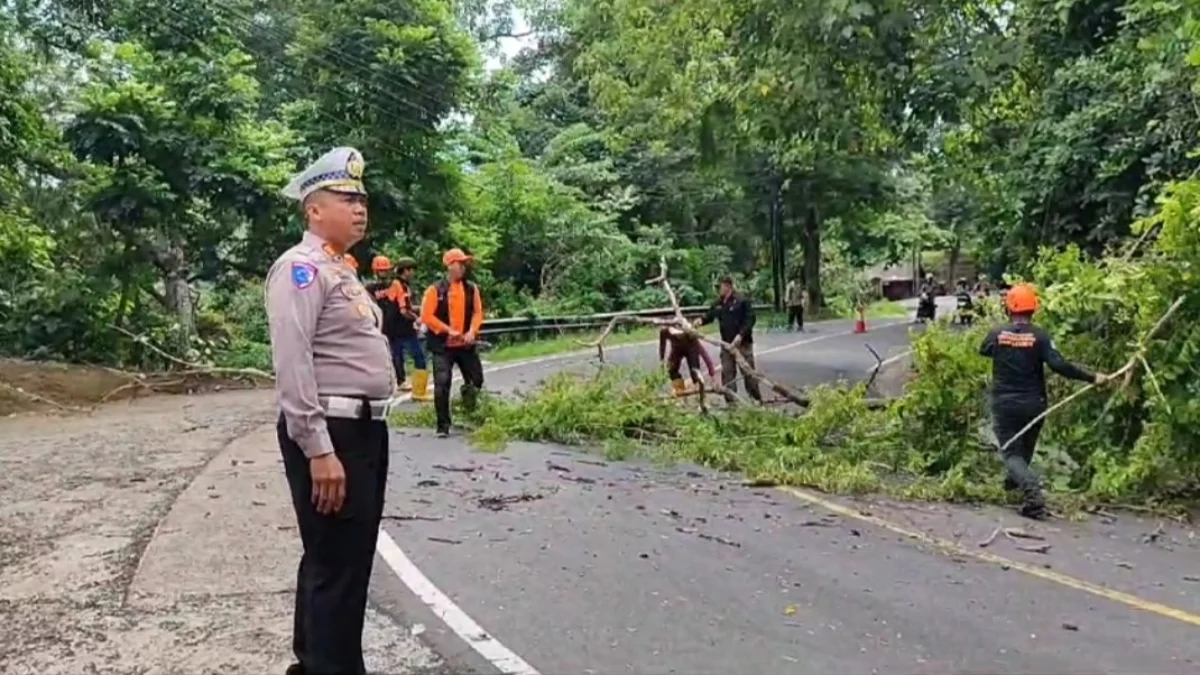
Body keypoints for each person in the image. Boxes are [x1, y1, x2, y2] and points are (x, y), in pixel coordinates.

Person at [265, 146, 395, 675]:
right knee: (338, 566)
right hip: (334, 432)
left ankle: (312, 666)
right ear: (313, 209)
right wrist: (318, 449)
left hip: (362, 432)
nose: (359, 207)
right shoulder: (299, 270)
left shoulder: (339, 270)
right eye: (346, 197)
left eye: (362, 198)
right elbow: (293, 365)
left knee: (340, 561)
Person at [978, 283, 1110, 520]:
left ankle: (1032, 494)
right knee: (1024, 450)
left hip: (1005, 403)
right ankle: (1012, 486)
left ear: (1009, 307)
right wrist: (1092, 377)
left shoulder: (997, 334)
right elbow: (1059, 365)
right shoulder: (1040, 336)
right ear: (1033, 309)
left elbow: (984, 351)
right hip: (1034, 403)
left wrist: (1008, 344)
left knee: (1011, 453)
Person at [420, 248, 485, 438]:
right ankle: (443, 424)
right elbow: (426, 316)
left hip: (465, 345)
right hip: (443, 346)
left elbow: (477, 312)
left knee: (476, 381)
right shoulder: (435, 290)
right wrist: (448, 330)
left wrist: (472, 331)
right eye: (460, 263)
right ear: (450, 266)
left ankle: (469, 411)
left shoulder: (471, 288)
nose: (463, 267)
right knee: (442, 383)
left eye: (464, 264)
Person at [694, 276, 762, 404]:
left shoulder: (742, 300)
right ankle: (731, 404)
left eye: (719, 287)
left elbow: (750, 319)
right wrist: (701, 320)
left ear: (727, 286)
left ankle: (756, 401)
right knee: (727, 375)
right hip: (726, 345)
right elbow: (709, 315)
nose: (718, 290)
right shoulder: (719, 303)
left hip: (743, 344)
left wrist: (741, 335)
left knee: (748, 374)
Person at [659, 325, 716, 396]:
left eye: (680, 335)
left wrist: (710, 368)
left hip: (691, 348)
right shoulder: (664, 331)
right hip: (676, 349)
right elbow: (662, 346)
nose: (678, 337)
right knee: (671, 369)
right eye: (676, 336)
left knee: (694, 372)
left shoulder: (690, 335)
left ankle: (699, 394)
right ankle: (680, 390)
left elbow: (703, 352)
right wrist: (661, 361)